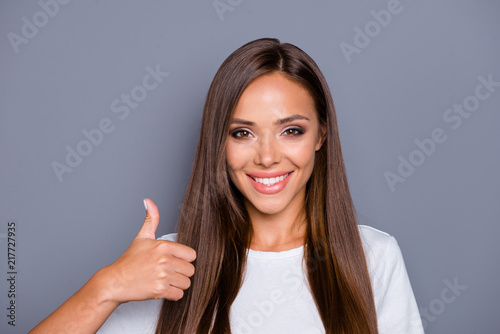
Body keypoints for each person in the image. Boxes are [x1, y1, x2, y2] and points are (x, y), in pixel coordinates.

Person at [31, 38, 424, 334]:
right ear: (219, 142)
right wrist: (108, 285)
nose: (267, 157)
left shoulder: (374, 257)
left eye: (291, 130)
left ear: (321, 134)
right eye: (242, 133)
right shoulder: (169, 265)